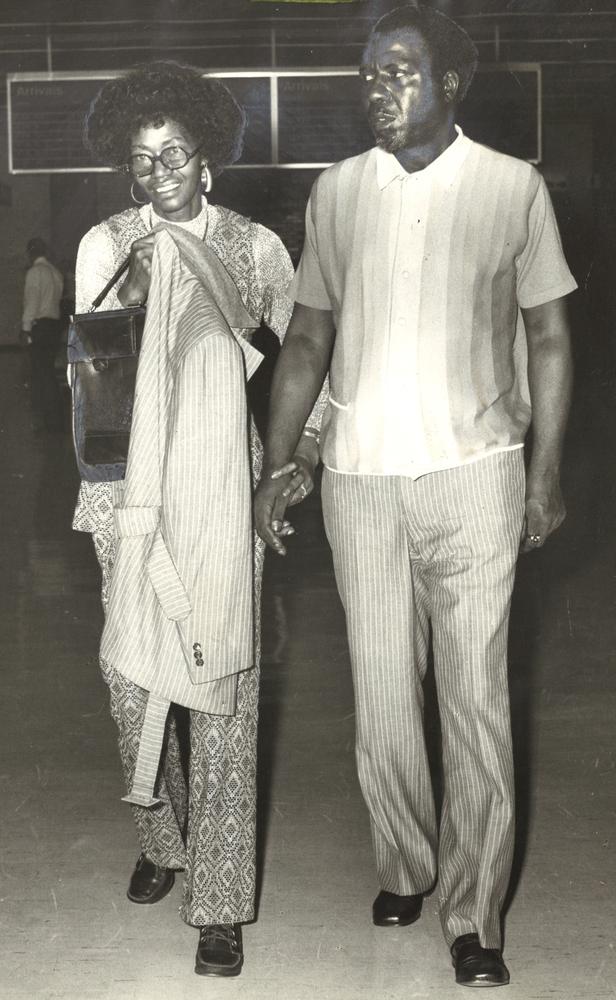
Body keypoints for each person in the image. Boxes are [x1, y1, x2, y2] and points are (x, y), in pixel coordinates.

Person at [255, 3, 575, 988]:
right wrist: (275, 463)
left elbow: (550, 336)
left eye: (397, 70)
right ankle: (404, 860)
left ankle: (472, 916)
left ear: (448, 84)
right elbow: (306, 338)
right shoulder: (337, 192)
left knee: (474, 699)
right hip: (358, 480)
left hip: (475, 474)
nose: (376, 88)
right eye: (366, 73)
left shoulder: (510, 188)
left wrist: (545, 469)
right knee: (382, 696)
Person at [73, 60, 318, 978]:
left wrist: (296, 464)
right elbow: (85, 375)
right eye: (142, 161)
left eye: (174, 154)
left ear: (207, 159)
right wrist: (128, 300)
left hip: (220, 489)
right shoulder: (107, 243)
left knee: (222, 685)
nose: (159, 172)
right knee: (131, 680)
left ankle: (219, 901)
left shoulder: (256, 249)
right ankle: (165, 837)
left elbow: (301, 361)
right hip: (123, 489)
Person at [21, 237, 64, 431]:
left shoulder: (34, 273)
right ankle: (54, 417)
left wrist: (25, 329)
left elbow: (32, 303)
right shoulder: (56, 273)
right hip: (54, 326)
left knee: (40, 373)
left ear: (31, 253)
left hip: (40, 328)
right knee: (48, 372)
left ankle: (44, 420)